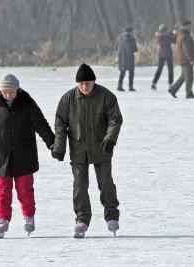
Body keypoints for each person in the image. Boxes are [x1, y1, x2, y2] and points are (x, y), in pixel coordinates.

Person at [0, 74, 55, 238]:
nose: (8, 95)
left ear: (17, 89)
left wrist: (51, 142)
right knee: (2, 190)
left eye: (11, 92)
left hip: (24, 154)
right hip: (1, 156)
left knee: (25, 190)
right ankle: (3, 221)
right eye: (5, 92)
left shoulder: (27, 102)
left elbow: (40, 123)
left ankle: (29, 217)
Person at [52, 63, 123, 238]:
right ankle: (82, 219)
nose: (85, 86)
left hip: (102, 147)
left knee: (106, 183)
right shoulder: (68, 99)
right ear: (78, 84)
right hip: (78, 149)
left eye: (88, 83)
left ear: (94, 81)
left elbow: (115, 119)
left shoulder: (106, 96)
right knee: (80, 185)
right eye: (82, 83)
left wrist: (110, 139)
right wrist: (59, 147)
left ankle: (112, 216)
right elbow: (60, 125)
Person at [168, 20, 194, 99]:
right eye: (189, 26)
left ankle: (173, 89)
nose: (190, 28)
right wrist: (191, 59)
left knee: (183, 76)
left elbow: (173, 40)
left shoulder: (179, 34)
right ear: (186, 27)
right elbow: (187, 49)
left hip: (181, 58)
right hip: (185, 59)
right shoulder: (185, 36)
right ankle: (189, 93)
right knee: (189, 76)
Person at [151, 23, 174, 90]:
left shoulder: (159, 36)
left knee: (160, 69)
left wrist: (170, 34)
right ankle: (170, 84)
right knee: (170, 69)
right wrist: (172, 34)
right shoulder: (163, 37)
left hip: (161, 54)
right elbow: (172, 40)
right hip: (167, 54)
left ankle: (154, 83)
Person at [116, 26, 138, 92]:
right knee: (131, 73)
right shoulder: (132, 38)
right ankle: (130, 86)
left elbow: (116, 48)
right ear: (130, 31)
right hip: (130, 58)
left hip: (122, 58)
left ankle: (119, 86)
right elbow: (135, 49)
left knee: (122, 72)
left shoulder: (119, 38)